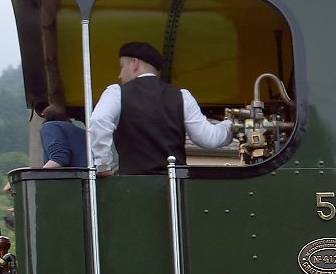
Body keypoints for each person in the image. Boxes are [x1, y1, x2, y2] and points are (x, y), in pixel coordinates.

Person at [88, 41, 234, 175]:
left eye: (121, 67)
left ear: (134, 63)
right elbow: (208, 138)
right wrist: (229, 125)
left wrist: (103, 165)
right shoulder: (182, 96)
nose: (119, 75)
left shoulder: (116, 93)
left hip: (133, 185)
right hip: (176, 184)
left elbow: (99, 120)